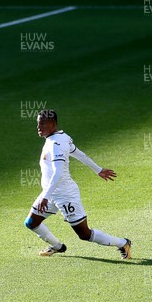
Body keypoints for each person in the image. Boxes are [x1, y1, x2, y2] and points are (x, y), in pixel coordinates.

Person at [24, 109, 131, 259]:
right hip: (50, 194)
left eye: (42, 123)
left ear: (53, 124)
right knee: (31, 222)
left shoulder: (56, 143)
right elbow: (78, 153)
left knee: (84, 234)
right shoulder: (62, 137)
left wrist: (45, 196)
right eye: (37, 123)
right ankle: (57, 246)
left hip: (65, 195)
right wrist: (98, 169)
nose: (38, 127)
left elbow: (58, 172)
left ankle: (123, 243)